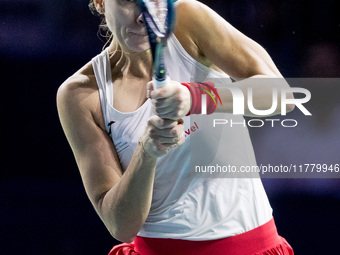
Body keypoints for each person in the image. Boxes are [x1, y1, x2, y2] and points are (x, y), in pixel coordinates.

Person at [57, 0, 295, 254]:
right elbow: (120, 224)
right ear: (101, 3)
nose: (143, 16)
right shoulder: (80, 94)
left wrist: (196, 97)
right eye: (129, 2)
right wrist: (147, 151)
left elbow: (282, 95)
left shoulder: (188, 20)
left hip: (251, 246)